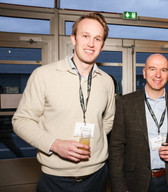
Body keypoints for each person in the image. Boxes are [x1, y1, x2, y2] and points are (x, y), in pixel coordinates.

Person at [12, 12, 115, 192]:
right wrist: (54, 144)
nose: (91, 43)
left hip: (97, 175)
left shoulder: (106, 81)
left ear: (103, 45)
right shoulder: (43, 75)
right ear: (73, 39)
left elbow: (107, 120)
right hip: (55, 179)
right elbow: (21, 121)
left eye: (97, 38)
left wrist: (96, 139)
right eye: (85, 36)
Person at [109, 53, 168, 192]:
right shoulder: (125, 103)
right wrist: (119, 186)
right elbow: (116, 147)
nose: (158, 75)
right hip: (136, 181)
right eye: (152, 69)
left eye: (163, 70)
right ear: (144, 73)